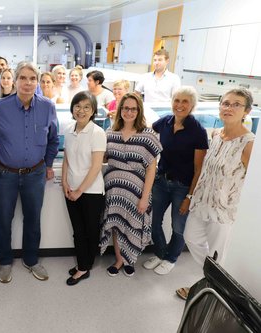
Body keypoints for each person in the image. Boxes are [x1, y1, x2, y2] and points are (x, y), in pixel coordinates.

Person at [177, 88, 255, 300]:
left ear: (246, 111)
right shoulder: (216, 134)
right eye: (225, 103)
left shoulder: (249, 144)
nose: (228, 108)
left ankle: (210, 293)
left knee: (218, 255)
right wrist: (191, 197)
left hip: (223, 212)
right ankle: (216, 281)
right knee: (191, 238)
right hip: (202, 203)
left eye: (236, 104)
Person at [0, 62, 59, 283]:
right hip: (3, 175)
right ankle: (5, 262)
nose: (28, 83)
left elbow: (53, 139)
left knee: (33, 219)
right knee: (3, 220)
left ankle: (31, 260)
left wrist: (47, 165)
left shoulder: (48, 107)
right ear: (15, 80)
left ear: (37, 82)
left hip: (35, 175)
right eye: (23, 78)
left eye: (32, 79)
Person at [143, 86, 209, 275]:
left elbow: (199, 169)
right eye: (176, 100)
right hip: (161, 182)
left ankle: (171, 258)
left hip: (183, 187)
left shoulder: (198, 132)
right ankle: (161, 253)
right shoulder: (165, 121)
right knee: (154, 222)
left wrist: (189, 196)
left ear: (192, 106)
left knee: (178, 227)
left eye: (185, 101)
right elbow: (146, 130)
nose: (179, 105)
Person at [99, 93, 162, 277]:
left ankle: (130, 259)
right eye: (125, 108)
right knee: (117, 225)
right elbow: (103, 157)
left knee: (132, 224)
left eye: (133, 108)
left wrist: (144, 197)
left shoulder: (148, 135)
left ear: (139, 111)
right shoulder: (110, 133)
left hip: (137, 192)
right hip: (114, 190)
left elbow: (151, 168)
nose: (129, 112)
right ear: (120, 110)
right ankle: (119, 260)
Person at [62, 91, 106, 286]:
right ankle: (83, 263)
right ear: (72, 108)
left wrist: (79, 190)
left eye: (86, 107)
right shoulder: (69, 130)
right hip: (71, 189)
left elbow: (96, 167)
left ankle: (84, 267)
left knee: (88, 230)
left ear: (93, 111)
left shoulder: (97, 133)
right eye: (78, 106)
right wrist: (64, 182)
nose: (81, 110)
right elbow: (66, 159)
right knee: (78, 230)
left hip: (90, 192)